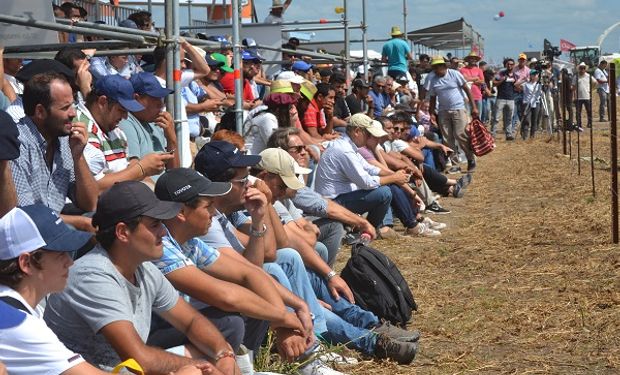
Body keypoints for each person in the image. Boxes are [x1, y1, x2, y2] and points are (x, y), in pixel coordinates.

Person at [44, 181, 239, 374]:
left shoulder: (144, 269)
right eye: (155, 224)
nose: (164, 232)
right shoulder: (93, 276)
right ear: (122, 232)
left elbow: (191, 321)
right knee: (195, 371)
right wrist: (203, 367)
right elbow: (138, 359)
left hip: (123, 369)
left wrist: (223, 354)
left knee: (218, 356)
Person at [0, 204, 207, 375]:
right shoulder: (21, 325)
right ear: (26, 263)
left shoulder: (13, 309)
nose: (69, 263)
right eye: (60, 254)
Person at [266, 128, 377, 265]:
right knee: (330, 230)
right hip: (284, 235)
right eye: (298, 148)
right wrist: (362, 223)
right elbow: (323, 206)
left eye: (304, 147)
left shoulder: (291, 177)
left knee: (322, 243)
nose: (303, 152)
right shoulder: (280, 183)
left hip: (296, 222)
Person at [10, 72, 98, 227]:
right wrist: (81, 223)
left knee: (102, 219)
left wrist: (78, 157)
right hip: (29, 234)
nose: (73, 113)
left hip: (54, 225)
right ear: (40, 112)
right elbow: (25, 215)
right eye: (65, 107)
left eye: (72, 105)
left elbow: (90, 203)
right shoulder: (18, 145)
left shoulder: (63, 140)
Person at [315, 113, 412, 237]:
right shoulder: (345, 150)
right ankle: (367, 231)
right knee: (385, 192)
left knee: (385, 188)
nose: (370, 138)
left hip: (336, 199)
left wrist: (395, 174)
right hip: (333, 203)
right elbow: (366, 183)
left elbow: (370, 168)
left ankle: (365, 229)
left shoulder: (347, 146)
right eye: (368, 134)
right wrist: (394, 177)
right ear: (357, 131)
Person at [79, 74, 174, 191]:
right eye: (121, 110)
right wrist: (142, 169)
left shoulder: (116, 131)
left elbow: (131, 169)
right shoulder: (82, 128)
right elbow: (94, 188)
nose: (124, 117)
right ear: (103, 102)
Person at [119, 72, 181, 179]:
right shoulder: (126, 122)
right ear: (136, 98)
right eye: (155, 99)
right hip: (147, 192)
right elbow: (133, 173)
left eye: (161, 98)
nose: (161, 105)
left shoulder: (155, 122)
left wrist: (172, 138)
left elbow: (175, 175)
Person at [425, 56, 478, 172]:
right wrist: (432, 113)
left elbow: (467, 89)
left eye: (440, 66)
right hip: (443, 111)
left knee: (461, 134)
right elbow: (433, 97)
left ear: (444, 66)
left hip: (458, 108)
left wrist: (473, 107)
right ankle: (455, 164)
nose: (438, 69)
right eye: (435, 67)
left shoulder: (454, 74)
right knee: (447, 138)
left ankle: (470, 158)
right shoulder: (432, 79)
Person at [491, 58, 517, 140]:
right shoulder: (501, 74)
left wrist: (516, 84)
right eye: (508, 64)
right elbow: (494, 83)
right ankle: (493, 135)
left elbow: (519, 88)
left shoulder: (515, 75)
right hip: (500, 98)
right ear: (505, 65)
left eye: (511, 64)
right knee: (496, 118)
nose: (510, 66)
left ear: (513, 65)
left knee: (509, 118)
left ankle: (508, 134)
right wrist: (502, 80)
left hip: (511, 99)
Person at [571, 62, 597, 130]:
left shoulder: (588, 76)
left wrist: (591, 89)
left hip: (587, 96)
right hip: (578, 97)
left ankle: (590, 123)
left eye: (583, 68)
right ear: (579, 69)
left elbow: (595, 82)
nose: (582, 69)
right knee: (578, 112)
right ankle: (579, 124)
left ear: (585, 69)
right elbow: (573, 87)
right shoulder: (575, 77)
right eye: (581, 68)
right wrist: (573, 95)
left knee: (589, 111)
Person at [520, 70, 542, 140]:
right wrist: (523, 80)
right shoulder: (526, 84)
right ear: (531, 75)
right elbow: (516, 85)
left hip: (536, 103)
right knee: (526, 119)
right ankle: (525, 136)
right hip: (527, 103)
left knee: (534, 120)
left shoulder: (539, 85)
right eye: (534, 74)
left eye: (536, 75)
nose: (535, 76)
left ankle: (532, 136)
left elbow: (543, 92)